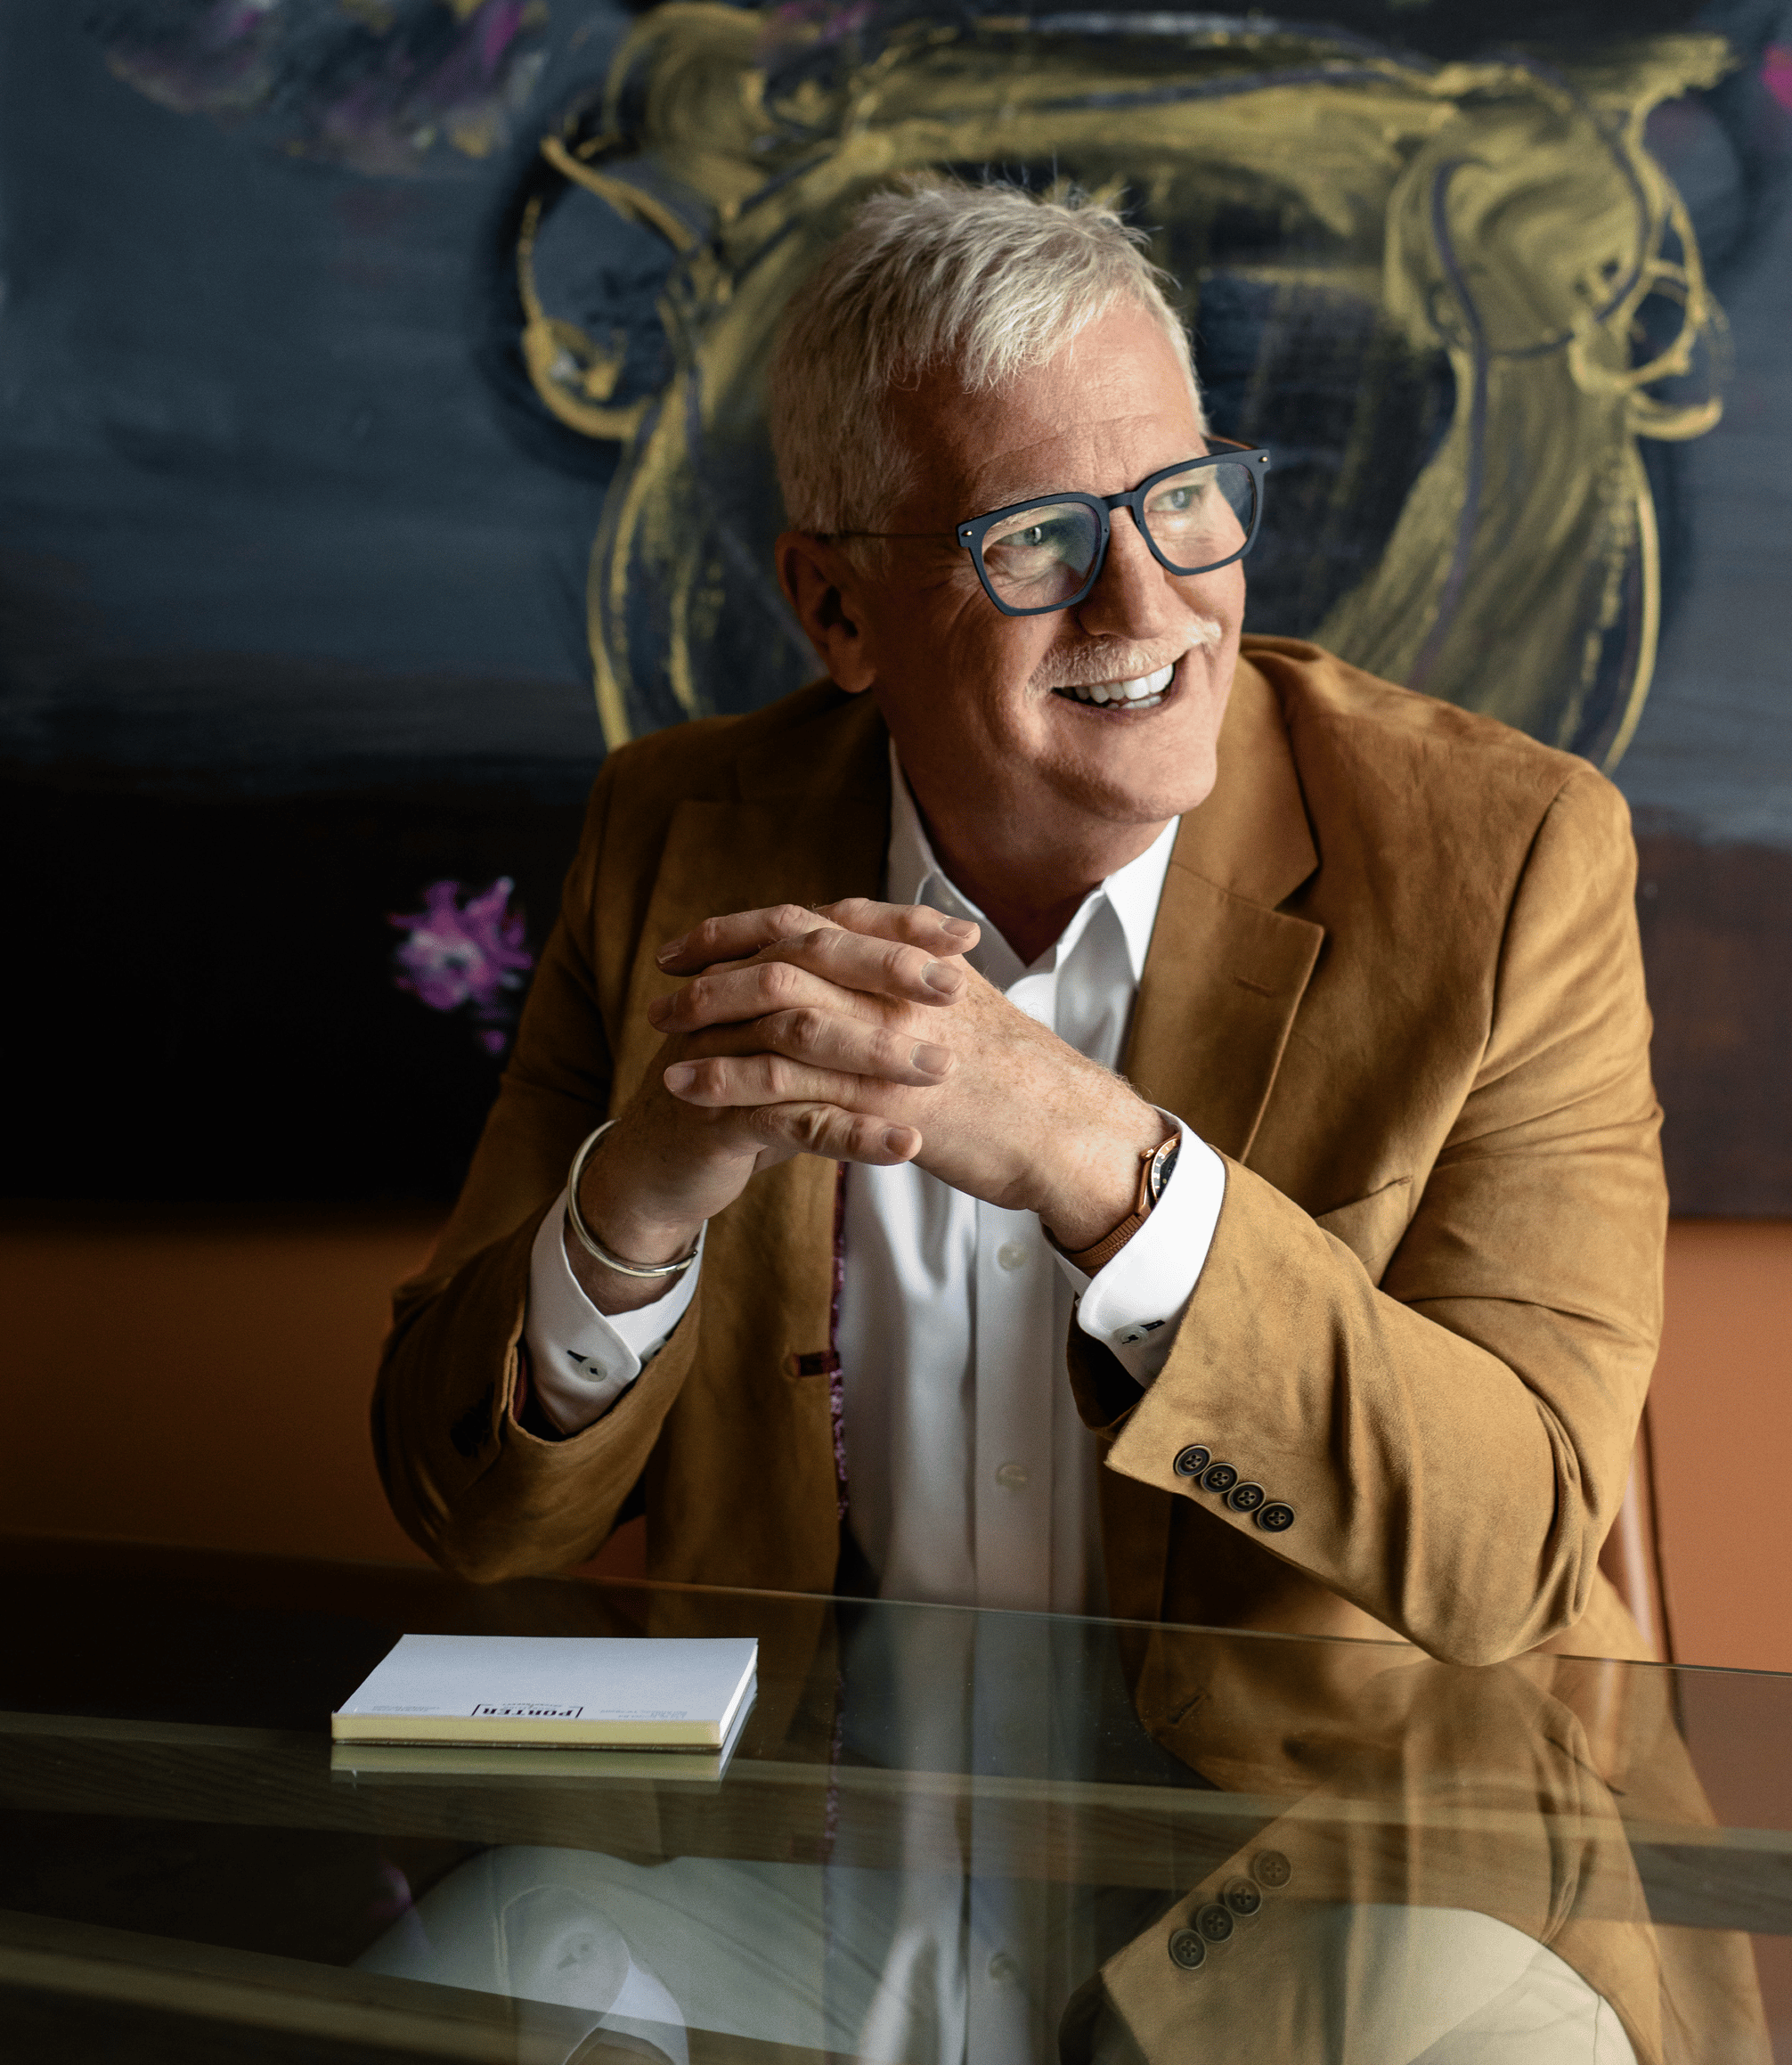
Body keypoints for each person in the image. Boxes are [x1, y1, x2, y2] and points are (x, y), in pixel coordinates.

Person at [373, 178, 1666, 1667]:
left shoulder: (1509, 861)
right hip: (815, 1795)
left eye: (1179, 498)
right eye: (1037, 537)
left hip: (1339, 1798)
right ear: (837, 609)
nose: (1149, 607)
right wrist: (628, 1217)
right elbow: (467, 1515)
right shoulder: (677, 834)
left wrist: (1101, 1163)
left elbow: (1518, 1556)